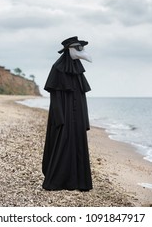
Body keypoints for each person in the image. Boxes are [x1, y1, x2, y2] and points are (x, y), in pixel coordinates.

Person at [42, 36, 92, 191]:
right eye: (78, 48)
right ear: (70, 49)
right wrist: (59, 118)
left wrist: (84, 118)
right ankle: (58, 181)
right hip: (64, 115)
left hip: (77, 115)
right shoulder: (57, 68)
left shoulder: (77, 68)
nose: (81, 51)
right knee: (63, 143)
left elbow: (81, 95)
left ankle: (79, 182)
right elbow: (55, 97)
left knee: (77, 143)